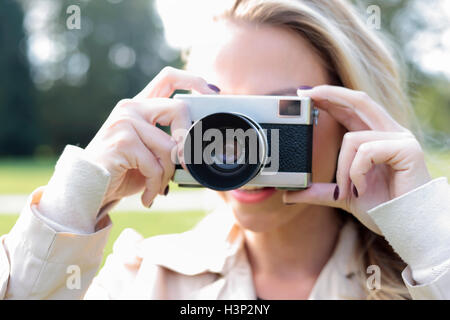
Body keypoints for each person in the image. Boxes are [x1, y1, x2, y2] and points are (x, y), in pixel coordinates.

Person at [1, 0, 449, 300]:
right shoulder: (148, 278)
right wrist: (74, 200)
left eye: (280, 111)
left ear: (356, 118)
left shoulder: (422, 274)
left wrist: (426, 235)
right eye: (218, 112)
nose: (239, 146)